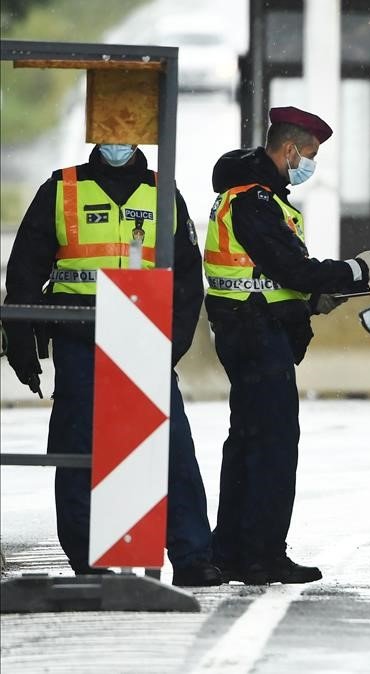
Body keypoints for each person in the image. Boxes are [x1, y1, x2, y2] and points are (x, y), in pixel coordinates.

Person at [3, 143, 223, 587]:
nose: (117, 139)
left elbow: (186, 279)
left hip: (143, 336)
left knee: (171, 444)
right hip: (77, 337)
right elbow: (24, 271)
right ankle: (89, 558)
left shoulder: (164, 193)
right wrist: (24, 344)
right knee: (78, 446)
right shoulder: (63, 188)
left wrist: (170, 347)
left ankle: (193, 555)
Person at [204, 106, 370, 584]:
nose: (311, 163)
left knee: (248, 444)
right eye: (309, 153)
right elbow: (291, 269)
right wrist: (355, 268)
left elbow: (264, 276)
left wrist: (310, 302)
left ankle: (232, 552)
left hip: (249, 327)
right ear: (289, 150)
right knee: (272, 448)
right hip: (255, 333)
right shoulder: (255, 202)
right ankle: (262, 556)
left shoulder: (251, 196)